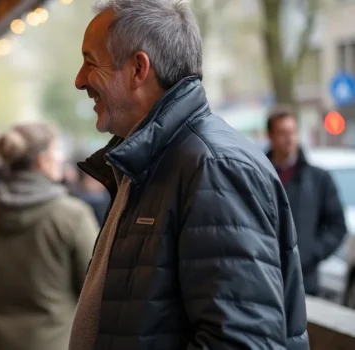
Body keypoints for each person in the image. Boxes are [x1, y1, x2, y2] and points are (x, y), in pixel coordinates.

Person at [69, 1, 308, 349]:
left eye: (90, 61)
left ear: (138, 68)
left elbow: (240, 342)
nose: (79, 80)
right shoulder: (151, 162)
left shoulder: (214, 168)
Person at [0, 122, 99, 350]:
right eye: (56, 150)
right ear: (42, 159)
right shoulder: (72, 215)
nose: (60, 156)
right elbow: (93, 287)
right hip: (57, 341)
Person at [266, 106, 347, 296]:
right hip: (265, 278)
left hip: (305, 281)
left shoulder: (318, 179)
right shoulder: (257, 175)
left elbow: (337, 226)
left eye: (293, 132)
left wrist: (312, 252)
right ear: (270, 135)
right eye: (282, 133)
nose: (289, 138)